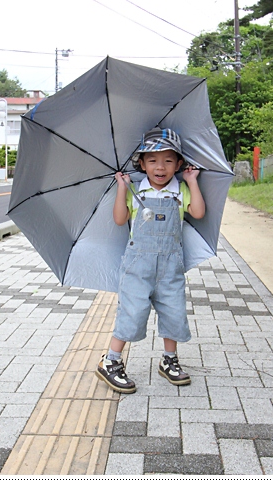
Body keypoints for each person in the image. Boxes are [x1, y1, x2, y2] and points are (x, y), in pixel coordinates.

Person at [95, 127, 205, 393]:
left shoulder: (180, 191)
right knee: (132, 313)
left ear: (179, 164)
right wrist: (122, 188)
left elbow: (199, 213)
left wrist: (192, 182)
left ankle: (169, 360)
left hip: (170, 266)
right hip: (137, 266)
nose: (160, 167)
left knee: (174, 312)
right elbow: (120, 219)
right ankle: (111, 361)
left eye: (168, 160)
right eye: (153, 160)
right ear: (141, 164)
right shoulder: (135, 191)